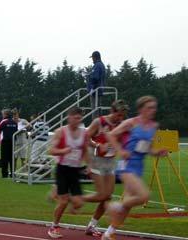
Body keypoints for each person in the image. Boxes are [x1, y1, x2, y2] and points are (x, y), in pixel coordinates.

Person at [102, 96, 167, 240]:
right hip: (127, 165)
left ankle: (108, 233)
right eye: (150, 107)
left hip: (139, 167)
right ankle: (114, 206)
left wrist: (158, 152)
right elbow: (111, 135)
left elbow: (148, 149)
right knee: (144, 196)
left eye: (154, 107)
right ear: (141, 109)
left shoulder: (154, 126)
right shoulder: (130, 123)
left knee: (128, 205)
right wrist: (120, 150)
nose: (153, 110)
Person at [82, 100, 129, 237]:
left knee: (107, 196)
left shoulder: (121, 125)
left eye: (123, 116)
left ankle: (91, 225)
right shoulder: (99, 122)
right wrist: (97, 145)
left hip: (110, 162)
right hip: (97, 160)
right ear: (112, 111)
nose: (121, 118)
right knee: (103, 195)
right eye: (119, 115)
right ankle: (77, 198)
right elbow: (86, 138)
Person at [47, 107, 90, 239]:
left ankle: (57, 192)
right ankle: (54, 226)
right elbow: (51, 150)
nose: (78, 120)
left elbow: (85, 150)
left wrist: (89, 165)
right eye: (76, 118)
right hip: (62, 169)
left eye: (80, 118)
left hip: (75, 170)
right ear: (69, 117)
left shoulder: (84, 133)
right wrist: (63, 151)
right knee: (64, 202)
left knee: (78, 203)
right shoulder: (61, 131)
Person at [0, 109, 18, 178]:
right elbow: (16, 131)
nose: (2, 115)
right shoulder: (14, 122)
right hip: (12, 141)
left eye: (3, 114)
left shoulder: (3, 121)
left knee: (4, 158)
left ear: (6, 114)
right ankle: (12, 174)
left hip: (5, 141)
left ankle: (4, 174)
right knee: (11, 158)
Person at [87, 51, 106, 119]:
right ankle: (99, 124)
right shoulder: (101, 65)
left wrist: (92, 88)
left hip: (95, 91)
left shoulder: (97, 65)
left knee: (95, 110)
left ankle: (95, 126)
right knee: (98, 109)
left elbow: (95, 77)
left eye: (92, 58)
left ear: (94, 57)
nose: (92, 59)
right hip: (99, 90)